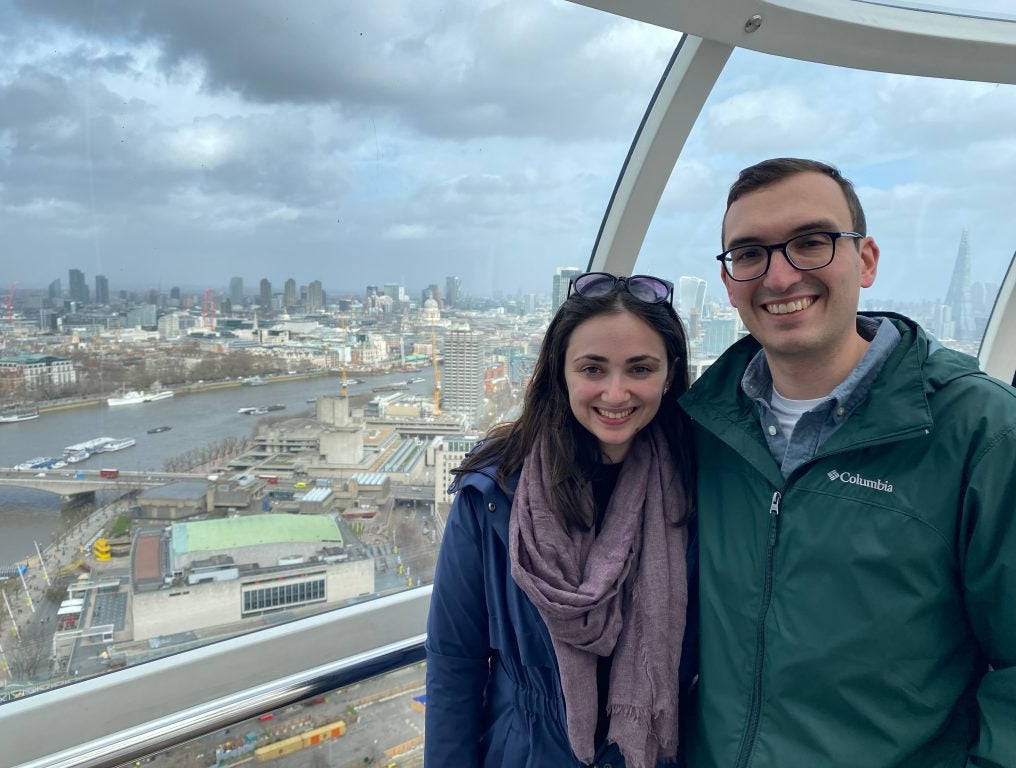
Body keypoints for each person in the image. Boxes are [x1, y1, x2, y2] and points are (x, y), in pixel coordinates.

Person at [680, 158, 1016, 767]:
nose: (779, 276)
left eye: (811, 242)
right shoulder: (702, 426)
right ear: (729, 283)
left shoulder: (980, 432)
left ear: (865, 260)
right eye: (749, 254)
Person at [425, 272, 698, 768]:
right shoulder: (493, 492)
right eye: (593, 369)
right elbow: (455, 662)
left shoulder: (698, 487)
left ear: (669, 373)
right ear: (561, 372)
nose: (616, 395)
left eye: (640, 369)